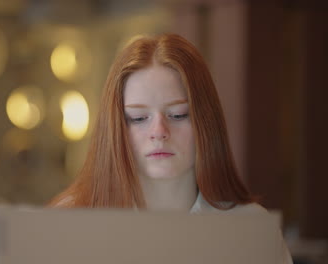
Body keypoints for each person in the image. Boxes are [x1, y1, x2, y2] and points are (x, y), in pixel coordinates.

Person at [48, 33, 293, 263]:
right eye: (138, 118)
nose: (159, 132)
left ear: (206, 122)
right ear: (115, 128)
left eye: (178, 115)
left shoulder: (251, 232)